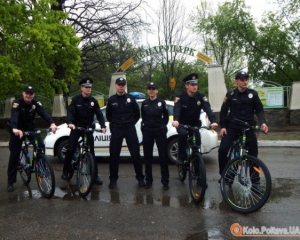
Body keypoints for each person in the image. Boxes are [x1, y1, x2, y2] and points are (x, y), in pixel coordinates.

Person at [218, 71, 268, 190]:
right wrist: (223, 126)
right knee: (222, 150)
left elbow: (259, 110)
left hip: (248, 127)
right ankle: (225, 175)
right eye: (242, 79)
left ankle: (255, 183)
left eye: (246, 79)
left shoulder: (253, 94)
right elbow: (223, 112)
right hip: (233, 127)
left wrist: (263, 123)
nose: (245, 82)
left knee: (253, 156)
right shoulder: (230, 94)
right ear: (236, 81)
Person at [7, 86, 57, 192]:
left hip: (30, 128)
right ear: (23, 93)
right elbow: (14, 116)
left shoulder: (35, 103)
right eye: (27, 93)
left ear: (33, 95)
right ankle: (10, 182)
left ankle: (42, 169)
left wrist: (52, 123)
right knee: (14, 155)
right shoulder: (17, 103)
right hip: (18, 130)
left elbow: (43, 113)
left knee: (40, 145)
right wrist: (15, 129)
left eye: (31, 94)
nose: (28, 95)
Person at [61, 77, 106, 185]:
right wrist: (70, 123)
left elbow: (99, 114)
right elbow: (70, 112)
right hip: (76, 128)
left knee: (92, 153)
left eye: (89, 87)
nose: (88, 89)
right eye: (86, 87)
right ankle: (66, 171)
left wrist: (103, 126)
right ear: (81, 88)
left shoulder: (93, 101)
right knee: (71, 149)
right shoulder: (75, 100)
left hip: (88, 129)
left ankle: (95, 176)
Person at [106, 77, 145, 189]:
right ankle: (113, 179)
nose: (121, 86)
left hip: (129, 128)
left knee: (135, 155)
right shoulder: (111, 100)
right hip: (117, 129)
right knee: (114, 155)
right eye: (119, 84)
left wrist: (131, 123)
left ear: (125, 86)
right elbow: (109, 115)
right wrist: (114, 124)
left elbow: (137, 114)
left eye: (123, 84)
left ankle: (140, 178)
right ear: (115, 86)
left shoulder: (131, 99)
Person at [172, 73, 218, 165]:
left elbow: (207, 109)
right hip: (182, 124)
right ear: (186, 86)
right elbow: (177, 108)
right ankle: (181, 157)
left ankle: (197, 168)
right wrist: (176, 120)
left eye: (196, 84)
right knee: (183, 134)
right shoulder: (180, 97)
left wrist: (213, 121)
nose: (195, 87)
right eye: (192, 85)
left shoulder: (200, 96)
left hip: (195, 124)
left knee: (196, 146)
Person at [141, 82, 170, 190]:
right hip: (148, 132)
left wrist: (162, 125)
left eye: (153, 89)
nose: (151, 91)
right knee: (148, 158)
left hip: (160, 132)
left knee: (163, 157)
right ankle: (148, 181)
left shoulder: (161, 103)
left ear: (157, 90)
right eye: (149, 89)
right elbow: (143, 117)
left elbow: (166, 117)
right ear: (147, 91)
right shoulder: (144, 103)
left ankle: (165, 182)